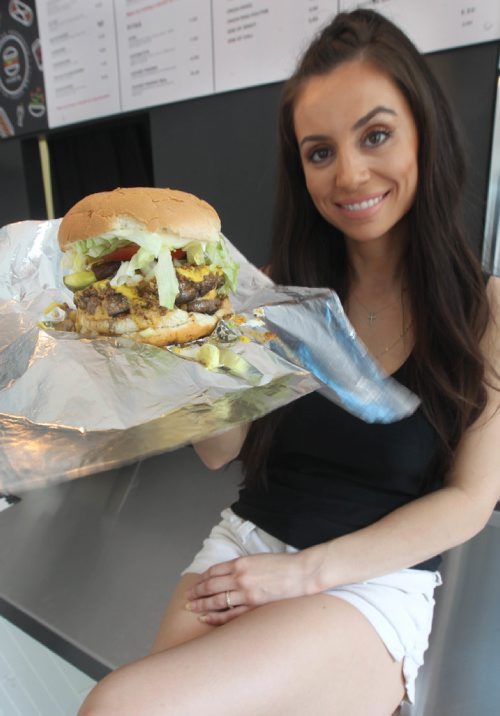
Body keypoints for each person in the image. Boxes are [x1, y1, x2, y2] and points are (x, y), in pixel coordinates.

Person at [79, 9, 500, 715]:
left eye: (375, 135)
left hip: (370, 579)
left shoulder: (484, 310)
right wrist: (181, 354)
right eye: (320, 151)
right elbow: (223, 451)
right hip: (247, 545)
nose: (351, 173)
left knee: (121, 706)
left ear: (422, 131)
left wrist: (304, 575)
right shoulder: (275, 291)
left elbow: (469, 502)